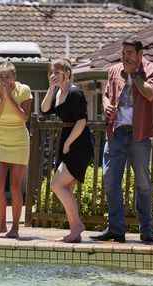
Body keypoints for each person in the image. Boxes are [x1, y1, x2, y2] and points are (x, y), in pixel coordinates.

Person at [91, 39, 153, 243]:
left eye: (130, 53)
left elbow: (151, 94)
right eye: (123, 53)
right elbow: (106, 95)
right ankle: (116, 229)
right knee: (111, 180)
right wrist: (106, 106)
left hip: (139, 134)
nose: (125, 56)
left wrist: (135, 74)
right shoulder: (114, 70)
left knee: (143, 183)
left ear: (140, 54)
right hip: (116, 133)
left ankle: (147, 230)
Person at [41, 58, 94, 243]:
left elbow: (81, 121)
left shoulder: (75, 92)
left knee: (57, 185)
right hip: (67, 142)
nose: (53, 75)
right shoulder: (58, 93)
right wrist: (51, 88)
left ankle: (77, 225)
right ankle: (75, 231)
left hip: (78, 143)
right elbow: (44, 109)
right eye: (51, 72)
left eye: (57, 72)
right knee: (67, 188)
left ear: (67, 73)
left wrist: (68, 143)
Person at [0, 62, 32, 238]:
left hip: (19, 141)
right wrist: (2, 99)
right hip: (1, 140)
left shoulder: (24, 90)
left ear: (14, 77)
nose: (4, 80)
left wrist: (9, 98)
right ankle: (2, 226)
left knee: (15, 186)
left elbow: (24, 117)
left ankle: (15, 227)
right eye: (1, 77)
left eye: (7, 77)